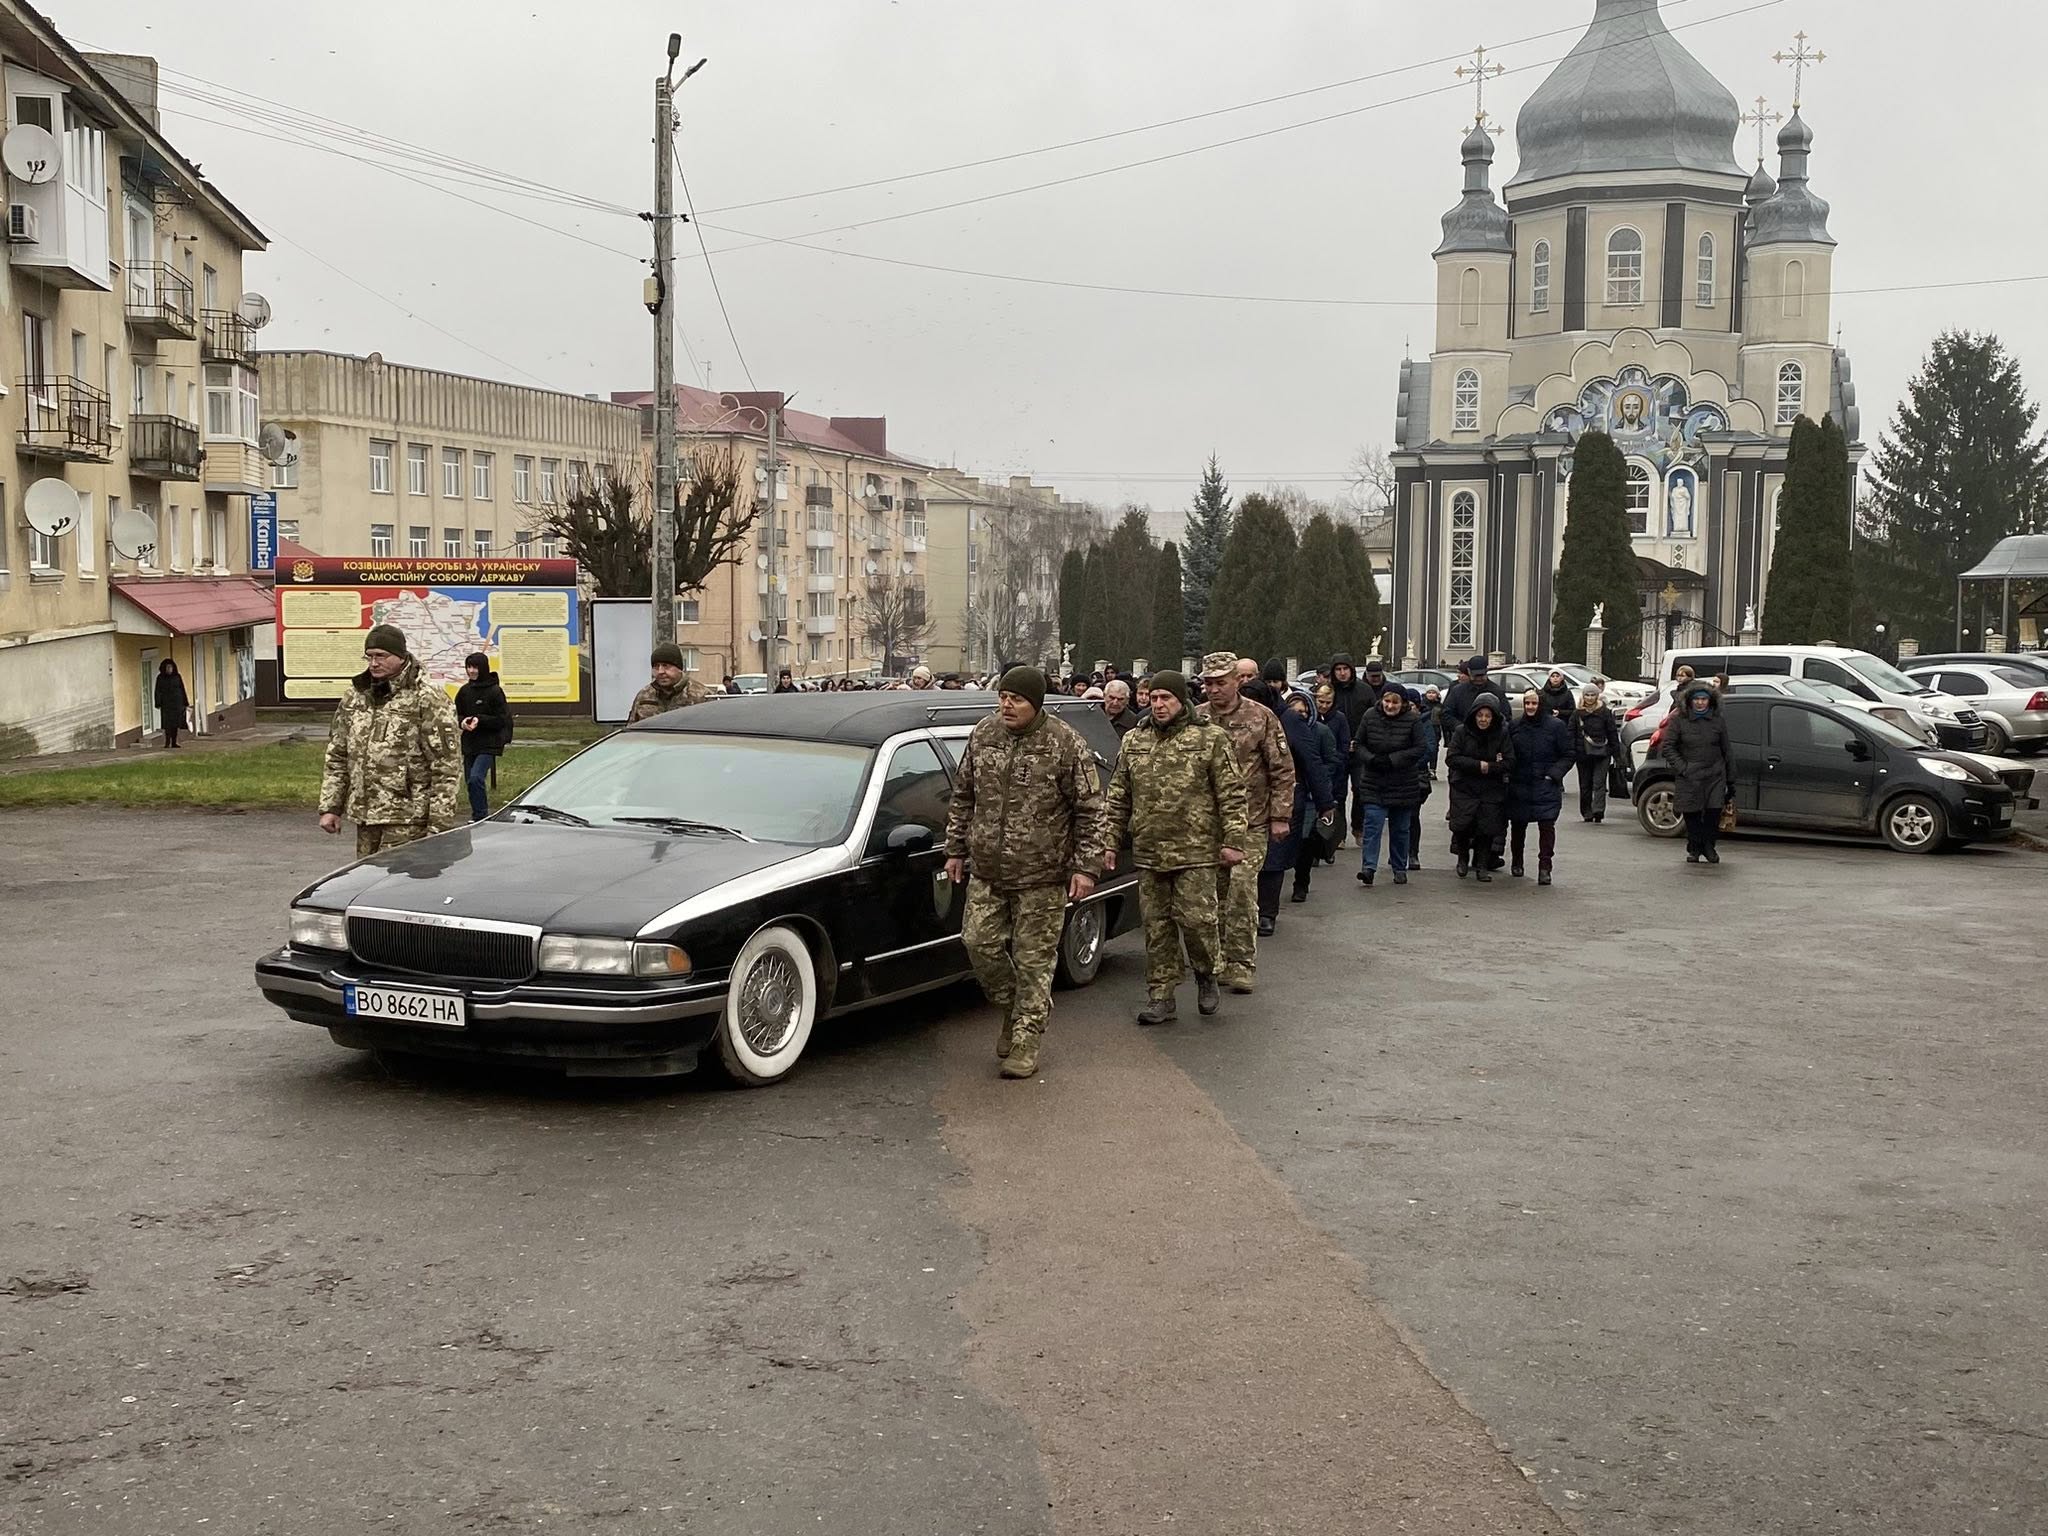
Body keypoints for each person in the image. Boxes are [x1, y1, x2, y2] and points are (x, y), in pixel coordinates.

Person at [943, 665, 1107, 1079]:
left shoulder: (1064, 743)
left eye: (1016, 699)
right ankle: (1015, 1009)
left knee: (1034, 961)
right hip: (988, 870)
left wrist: (1085, 868)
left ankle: (1026, 1040)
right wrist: (955, 849)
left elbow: (1090, 810)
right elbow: (963, 795)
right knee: (978, 943)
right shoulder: (984, 734)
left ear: (1035, 702)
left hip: (1042, 875)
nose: (1007, 705)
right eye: (1002, 697)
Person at [1104, 670, 1246, 1025]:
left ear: (1182, 701)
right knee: (1157, 927)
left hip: (1196, 850)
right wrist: (1109, 841)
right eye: (1153, 698)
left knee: (1198, 922)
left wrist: (1234, 841)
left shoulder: (1210, 738)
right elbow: (1118, 795)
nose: (1158, 705)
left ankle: (1206, 973)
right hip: (1150, 850)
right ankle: (1161, 995)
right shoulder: (1134, 740)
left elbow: (1231, 793)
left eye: (1166, 698)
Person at [317, 623, 463, 857]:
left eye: (381, 656)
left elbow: (446, 767)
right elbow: (338, 755)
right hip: (366, 818)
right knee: (367, 877)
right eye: (369, 657)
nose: (374, 663)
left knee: (397, 879)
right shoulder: (356, 696)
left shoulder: (427, 697)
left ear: (401, 656)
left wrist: (439, 828)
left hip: (409, 820)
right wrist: (331, 807)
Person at [1195, 651, 1293, 992]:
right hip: (1207, 824)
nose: (1214, 689)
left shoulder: (1260, 717)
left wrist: (1280, 816)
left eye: (1220, 683)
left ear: (1237, 681)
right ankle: (1216, 958)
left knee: (1240, 890)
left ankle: (1240, 963)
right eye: (1208, 683)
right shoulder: (1196, 719)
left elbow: (1282, 769)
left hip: (1252, 821)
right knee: (1212, 895)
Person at [1260, 660, 1334, 930]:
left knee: (1275, 856)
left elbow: (1311, 760)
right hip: (1244, 800)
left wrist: (1325, 802)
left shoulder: (1290, 719)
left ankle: (1267, 913)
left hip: (1286, 796)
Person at [1354, 684, 1426, 886]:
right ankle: (1368, 868)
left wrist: (1393, 760)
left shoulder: (1412, 720)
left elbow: (1420, 748)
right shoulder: (1370, 716)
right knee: (1372, 825)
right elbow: (1358, 744)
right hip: (1374, 782)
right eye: (1387, 701)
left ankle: (1399, 867)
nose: (1390, 706)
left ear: (1403, 703)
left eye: (1395, 702)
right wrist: (1371, 759)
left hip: (1403, 784)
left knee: (1401, 829)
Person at [1660, 679, 1736, 864]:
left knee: (1713, 813)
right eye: (1697, 699)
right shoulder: (1679, 720)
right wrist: (1683, 767)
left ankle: (1709, 847)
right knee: (1691, 814)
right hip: (1690, 775)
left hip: (1714, 774)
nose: (1700, 702)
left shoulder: (1717, 721)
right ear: (1690, 700)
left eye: (1704, 699)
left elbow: (1727, 750)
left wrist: (1730, 779)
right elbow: (1668, 747)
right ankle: (1694, 848)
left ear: (1710, 701)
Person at [1445, 692, 1513, 881]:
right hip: (1464, 787)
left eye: (1488, 716)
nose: (1483, 719)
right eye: (1480, 715)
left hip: (1491, 788)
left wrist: (1490, 767)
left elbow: (1509, 761)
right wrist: (1477, 765)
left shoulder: (1501, 734)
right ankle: (1462, 858)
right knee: (1462, 826)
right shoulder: (1462, 731)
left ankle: (1482, 865)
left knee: (1487, 828)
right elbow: (1452, 758)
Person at [1507, 690, 1572, 884]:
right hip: (1520, 784)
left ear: (1541, 704)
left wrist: (1554, 775)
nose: (1530, 707)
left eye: (1534, 703)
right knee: (1518, 826)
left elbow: (1568, 754)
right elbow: (1507, 752)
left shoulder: (1556, 727)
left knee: (1547, 827)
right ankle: (1517, 861)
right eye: (1527, 703)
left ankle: (1545, 868)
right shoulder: (1515, 726)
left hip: (1545, 785)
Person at [1287, 691, 1345, 902]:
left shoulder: (1321, 731)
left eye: (1303, 711)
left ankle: (1301, 883)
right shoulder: (1279, 731)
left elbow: (1332, 761)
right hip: (1284, 793)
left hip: (1310, 795)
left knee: (1304, 840)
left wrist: (1315, 776)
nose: (1299, 715)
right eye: (1294, 711)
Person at [454, 650, 512, 822]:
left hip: (489, 743)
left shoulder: (495, 691)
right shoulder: (464, 691)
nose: (471, 671)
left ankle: (481, 816)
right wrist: (463, 722)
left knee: (476, 778)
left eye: (475, 667)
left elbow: (502, 719)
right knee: (470, 782)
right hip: (470, 743)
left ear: (483, 668)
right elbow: (455, 714)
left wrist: (480, 720)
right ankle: (477, 814)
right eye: (468, 667)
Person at [1571, 685, 1624, 823]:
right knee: (1585, 784)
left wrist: (1617, 755)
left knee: (1599, 783)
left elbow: (1612, 733)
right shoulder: (1577, 714)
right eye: (1587, 695)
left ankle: (1598, 810)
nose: (1590, 698)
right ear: (1583, 696)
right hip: (1583, 754)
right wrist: (1572, 752)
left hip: (1602, 753)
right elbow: (1570, 734)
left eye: (1592, 695)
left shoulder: (1605, 712)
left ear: (1597, 696)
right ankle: (1586, 811)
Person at [1313, 681, 1352, 854]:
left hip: (1336, 770)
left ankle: (1337, 838)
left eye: (1328, 702)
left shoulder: (1339, 718)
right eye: (1321, 702)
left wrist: (1337, 761)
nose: (1324, 706)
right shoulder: (1310, 716)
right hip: (1315, 768)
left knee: (1337, 803)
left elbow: (1344, 744)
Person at [628, 642, 707, 722]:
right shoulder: (644, 695)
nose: (660, 671)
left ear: (679, 668)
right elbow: (632, 726)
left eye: (665, 666)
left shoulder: (701, 695)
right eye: (656, 666)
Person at [1443, 655, 1501, 729]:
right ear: (1469, 672)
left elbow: (1505, 718)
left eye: (1481, 675)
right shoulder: (1457, 691)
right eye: (1475, 675)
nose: (1478, 679)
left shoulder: (1497, 691)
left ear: (1487, 671)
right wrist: (1461, 728)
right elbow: (1446, 714)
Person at [153, 658, 189, 749]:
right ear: (164, 668)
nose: (169, 669)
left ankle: (174, 742)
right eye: (167, 667)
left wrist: (185, 702)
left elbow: (182, 689)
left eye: (170, 667)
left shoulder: (177, 676)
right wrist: (158, 702)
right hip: (166, 704)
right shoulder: (160, 678)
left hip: (177, 704)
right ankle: (167, 742)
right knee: (167, 724)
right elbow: (157, 691)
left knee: (175, 724)